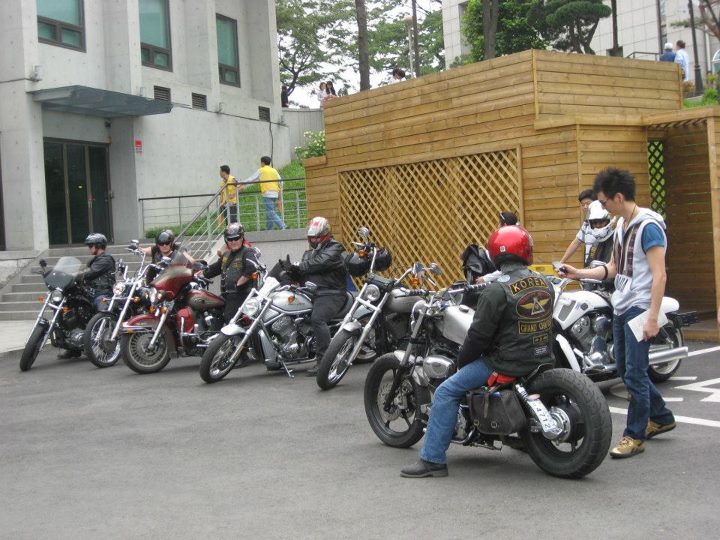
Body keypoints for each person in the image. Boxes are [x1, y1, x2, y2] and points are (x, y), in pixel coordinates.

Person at [401, 225, 555, 478]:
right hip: (541, 357)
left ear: (495, 253)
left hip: (506, 362)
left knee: (446, 391)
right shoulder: (544, 283)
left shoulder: (496, 290)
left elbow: (478, 337)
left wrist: (462, 361)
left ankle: (432, 460)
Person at [559, 167, 676, 459]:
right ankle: (661, 417)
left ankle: (634, 435)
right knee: (625, 369)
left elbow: (660, 275)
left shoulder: (648, 227)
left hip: (640, 307)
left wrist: (652, 317)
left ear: (619, 197)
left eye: (604, 201)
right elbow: (613, 268)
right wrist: (578, 273)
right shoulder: (621, 225)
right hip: (622, 304)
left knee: (634, 372)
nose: (602, 207)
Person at [292, 217, 349, 376]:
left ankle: (324, 361)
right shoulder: (309, 254)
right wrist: (289, 274)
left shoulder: (335, 248)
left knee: (318, 319)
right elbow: (303, 273)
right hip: (312, 292)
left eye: (317, 238)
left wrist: (299, 266)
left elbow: (320, 263)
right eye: (311, 238)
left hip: (331, 293)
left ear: (325, 235)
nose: (314, 241)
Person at [200, 223, 259, 323]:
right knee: (211, 310)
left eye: (236, 238)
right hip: (226, 295)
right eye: (230, 239)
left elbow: (252, 266)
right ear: (226, 240)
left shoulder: (248, 252)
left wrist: (240, 282)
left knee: (229, 317)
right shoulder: (226, 255)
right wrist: (198, 274)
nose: (233, 241)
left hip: (241, 294)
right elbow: (214, 269)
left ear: (242, 238)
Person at [241, 156, 287, 230]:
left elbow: (251, 178)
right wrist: (280, 192)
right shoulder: (274, 170)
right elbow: (281, 182)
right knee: (270, 212)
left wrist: (242, 183)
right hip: (275, 193)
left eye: (260, 163)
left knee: (270, 212)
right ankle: (269, 229)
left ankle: (282, 225)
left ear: (262, 162)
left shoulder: (261, 170)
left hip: (267, 193)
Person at [78, 233, 116, 310]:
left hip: (102, 293)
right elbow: (84, 270)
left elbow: (91, 272)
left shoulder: (106, 259)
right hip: (91, 292)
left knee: (100, 307)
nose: (89, 248)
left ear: (98, 246)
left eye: (90, 246)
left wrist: (75, 275)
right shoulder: (95, 259)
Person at [559, 189, 596, 265]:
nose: (585, 207)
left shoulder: (604, 222)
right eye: (582, 205)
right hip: (590, 267)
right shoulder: (586, 224)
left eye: (588, 203)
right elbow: (576, 242)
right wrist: (561, 262)